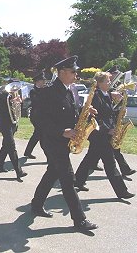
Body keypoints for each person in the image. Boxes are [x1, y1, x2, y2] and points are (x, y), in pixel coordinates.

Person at [30, 55, 98, 231]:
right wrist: (61, 131)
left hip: (65, 141)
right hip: (53, 141)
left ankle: (36, 204)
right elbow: (37, 119)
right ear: (61, 72)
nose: (76, 75)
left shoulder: (72, 90)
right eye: (73, 72)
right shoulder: (47, 92)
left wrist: (86, 112)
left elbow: (72, 114)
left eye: (77, 72)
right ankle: (79, 220)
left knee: (52, 172)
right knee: (68, 179)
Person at [74, 72, 135, 199]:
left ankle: (78, 181)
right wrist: (107, 130)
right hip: (99, 134)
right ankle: (122, 191)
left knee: (90, 158)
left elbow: (109, 114)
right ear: (100, 83)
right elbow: (95, 117)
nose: (109, 83)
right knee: (110, 163)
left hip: (104, 135)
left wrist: (118, 117)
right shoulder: (96, 96)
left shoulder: (106, 94)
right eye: (107, 81)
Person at [0, 82, 27, 182]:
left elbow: (18, 110)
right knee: (11, 147)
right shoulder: (2, 94)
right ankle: (19, 171)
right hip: (5, 124)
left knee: (6, 145)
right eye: (12, 89)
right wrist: (11, 100)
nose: (14, 91)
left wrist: (19, 102)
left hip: (13, 123)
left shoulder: (14, 94)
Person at [23, 71, 46, 159]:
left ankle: (27, 152)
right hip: (36, 116)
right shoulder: (33, 91)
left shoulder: (44, 90)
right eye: (42, 80)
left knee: (37, 135)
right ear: (37, 81)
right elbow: (37, 102)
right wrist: (44, 91)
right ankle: (49, 156)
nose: (44, 82)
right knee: (41, 135)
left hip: (42, 117)